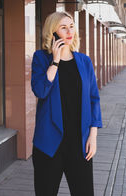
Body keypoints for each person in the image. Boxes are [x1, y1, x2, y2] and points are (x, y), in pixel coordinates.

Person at [31, 11, 102, 196]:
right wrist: (55, 61)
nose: (69, 31)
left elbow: (94, 99)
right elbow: (40, 91)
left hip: (80, 144)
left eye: (71, 26)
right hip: (49, 144)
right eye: (63, 27)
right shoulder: (41, 58)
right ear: (52, 32)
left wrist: (93, 136)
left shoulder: (84, 61)